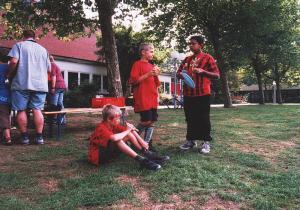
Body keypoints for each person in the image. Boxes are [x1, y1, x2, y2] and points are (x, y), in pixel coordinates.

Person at [88, 105, 169, 170]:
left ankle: (147, 154)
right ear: (109, 119)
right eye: (118, 118)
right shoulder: (101, 127)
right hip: (98, 157)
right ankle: (143, 161)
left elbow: (131, 131)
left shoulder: (113, 124)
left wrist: (142, 141)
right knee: (118, 140)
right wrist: (128, 130)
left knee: (128, 134)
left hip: (108, 153)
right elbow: (114, 138)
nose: (119, 120)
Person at [7, 29, 51, 145]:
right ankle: (39, 137)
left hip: (22, 83)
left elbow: (13, 62)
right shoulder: (43, 50)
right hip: (40, 84)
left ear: (23, 36)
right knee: (37, 110)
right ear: (34, 37)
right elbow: (49, 69)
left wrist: (9, 75)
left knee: (21, 109)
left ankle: (25, 138)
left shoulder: (19, 46)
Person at [177, 35, 220, 154]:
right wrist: (180, 75)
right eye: (189, 43)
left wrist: (203, 71)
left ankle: (206, 142)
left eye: (193, 43)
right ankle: (191, 141)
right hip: (188, 94)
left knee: (203, 119)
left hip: (203, 94)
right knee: (190, 118)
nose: (191, 45)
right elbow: (178, 73)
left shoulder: (208, 58)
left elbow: (217, 75)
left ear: (201, 45)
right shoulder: (187, 59)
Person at [129, 43, 161, 151]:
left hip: (153, 98)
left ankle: (147, 145)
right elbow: (134, 81)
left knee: (152, 121)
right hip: (143, 97)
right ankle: (131, 139)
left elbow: (157, 84)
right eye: (151, 51)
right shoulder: (137, 64)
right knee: (146, 120)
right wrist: (148, 74)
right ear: (143, 52)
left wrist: (158, 97)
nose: (153, 53)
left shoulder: (152, 66)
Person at [48, 55, 66, 123]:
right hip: (62, 86)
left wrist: (52, 87)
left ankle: (53, 120)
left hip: (57, 85)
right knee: (60, 103)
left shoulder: (51, 65)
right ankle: (62, 120)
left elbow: (53, 76)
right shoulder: (56, 65)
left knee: (54, 104)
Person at [0, 52, 12, 145]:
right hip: (8, 95)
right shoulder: (9, 68)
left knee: (3, 116)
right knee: (6, 114)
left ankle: (8, 137)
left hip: (1, 96)